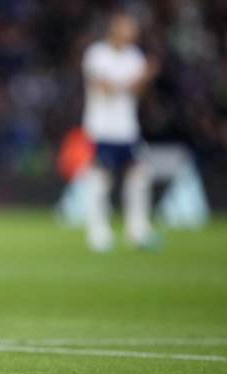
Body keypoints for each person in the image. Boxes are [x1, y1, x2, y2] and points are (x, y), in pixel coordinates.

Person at [82, 12, 160, 251]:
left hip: (127, 129)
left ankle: (137, 230)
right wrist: (141, 77)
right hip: (102, 128)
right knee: (100, 180)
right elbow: (105, 87)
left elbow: (138, 93)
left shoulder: (134, 56)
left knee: (139, 176)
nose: (131, 34)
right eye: (127, 29)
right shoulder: (96, 54)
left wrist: (143, 80)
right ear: (114, 29)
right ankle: (99, 233)